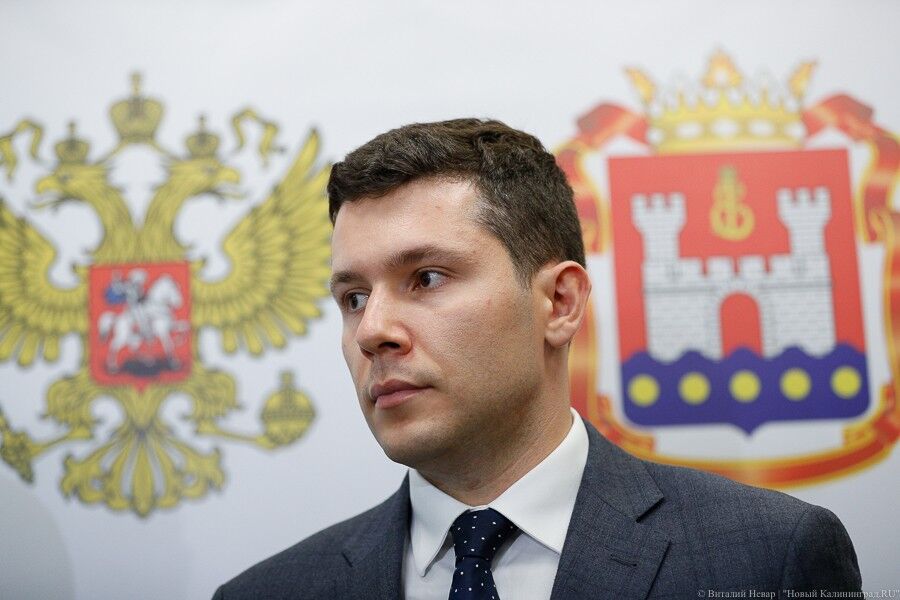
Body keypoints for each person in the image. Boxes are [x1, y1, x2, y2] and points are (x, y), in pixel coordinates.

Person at [213, 119, 861, 599]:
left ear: (559, 303)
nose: (372, 331)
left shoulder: (769, 559)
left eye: (427, 278)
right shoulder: (267, 594)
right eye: (353, 298)